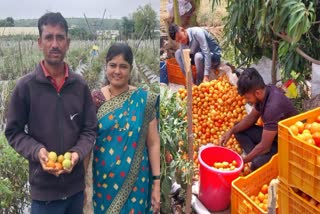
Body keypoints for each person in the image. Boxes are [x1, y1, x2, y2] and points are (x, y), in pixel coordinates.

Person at [5, 12, 98, 214]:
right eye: (49, 37)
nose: (54, 44)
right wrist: (37, 151)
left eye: (60, 37)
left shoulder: (79, 86)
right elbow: (13, 132)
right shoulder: (25, 87)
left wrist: (77, 153)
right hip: (43, 195)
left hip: (75, 191)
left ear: (68, 42)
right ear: (40, 42)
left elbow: (90, 129)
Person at [86, 42, 160, 213]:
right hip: (104, 183)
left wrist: (156, 182)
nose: (117, 71)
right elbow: (87, 142)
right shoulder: (95, 100)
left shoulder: (144, 100)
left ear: (130, 69)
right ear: (105, 66)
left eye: (123, 66)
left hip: (137, 183)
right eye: (112, 65)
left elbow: (153, 142)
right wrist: (82, 182)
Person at [220, 68, 297, 171]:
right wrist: (231, 131)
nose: (247, 101)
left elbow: (265, 146)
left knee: (255, 165)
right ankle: (257, 155)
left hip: (287, 146)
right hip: (274, 136)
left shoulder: (273, 107)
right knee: (237, 128)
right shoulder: (265, 92)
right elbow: (251, 118)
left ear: (257, 93)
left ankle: (257, 158)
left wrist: (243, 161)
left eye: (247, 98)